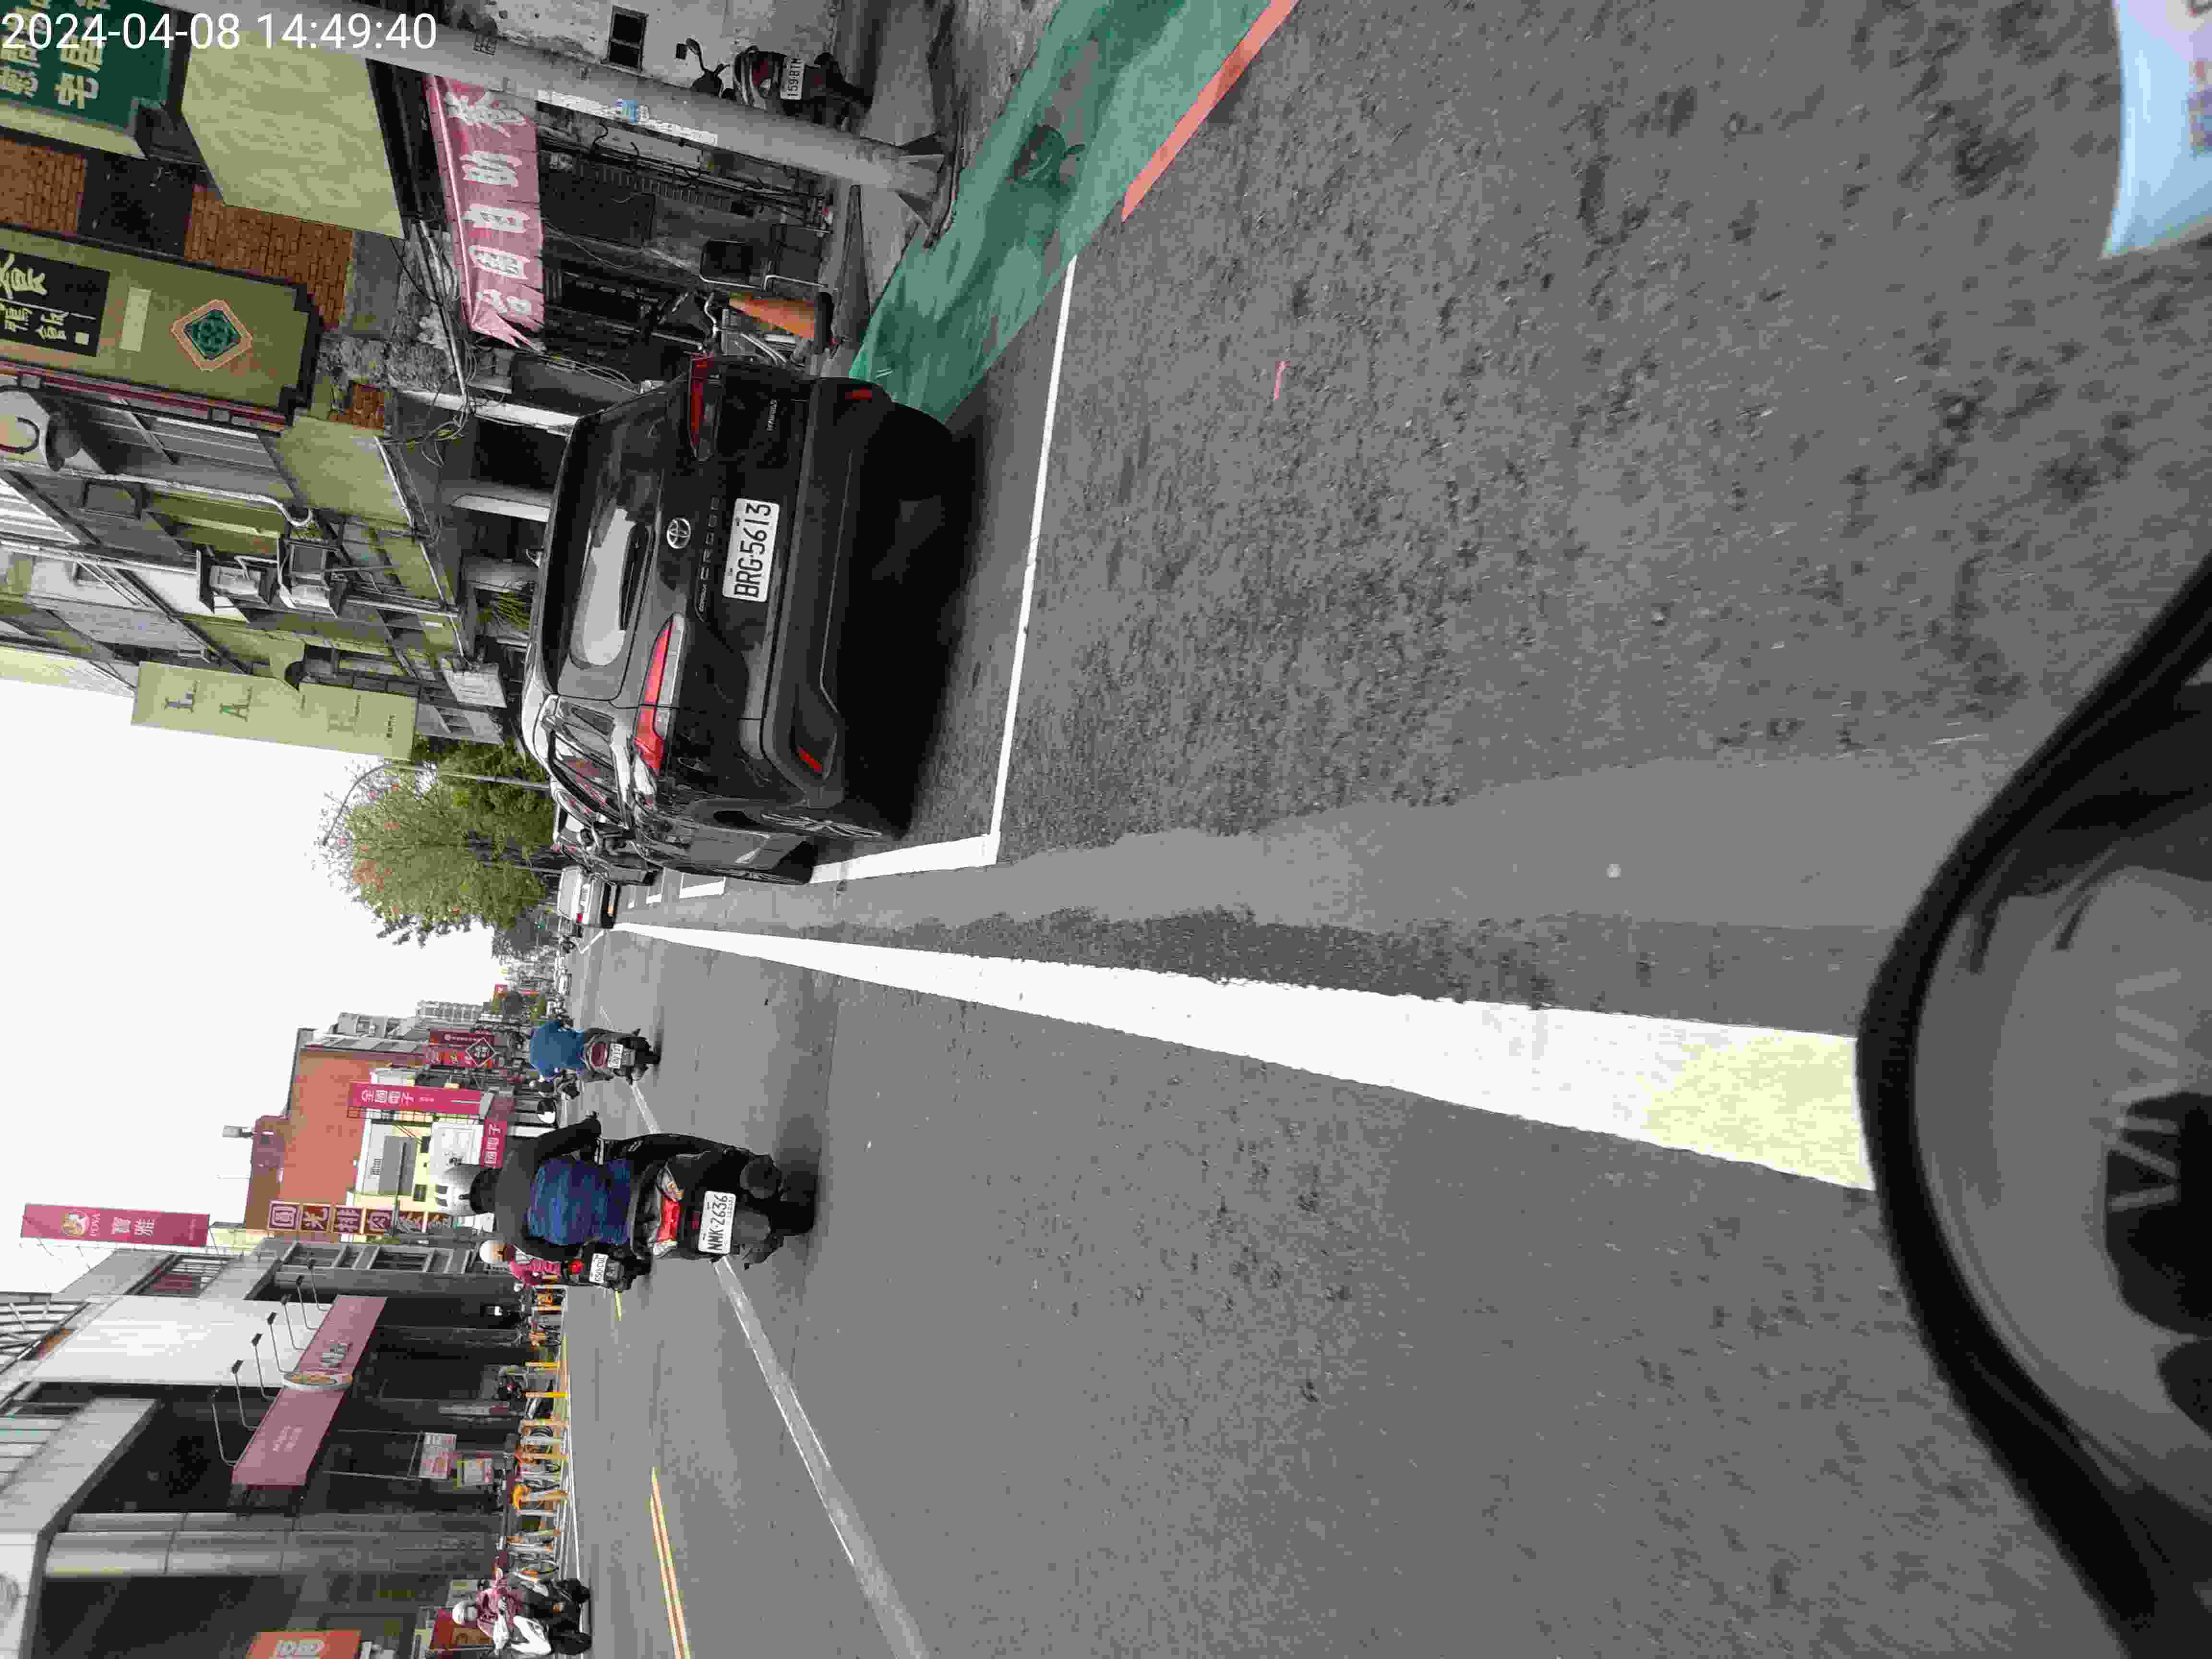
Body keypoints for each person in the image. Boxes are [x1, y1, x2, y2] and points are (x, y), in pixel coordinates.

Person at [527, 1013, 654, 1080]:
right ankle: (626, 1036)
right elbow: (560, 1022)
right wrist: (565, 1023)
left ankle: (611, 1075)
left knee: (587, 1077)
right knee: (597, 1032)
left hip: (581, 1065)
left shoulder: (534, 1061)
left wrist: (559, 1070)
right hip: (583, 1040)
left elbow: (550, 1076)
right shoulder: (541, 1031)